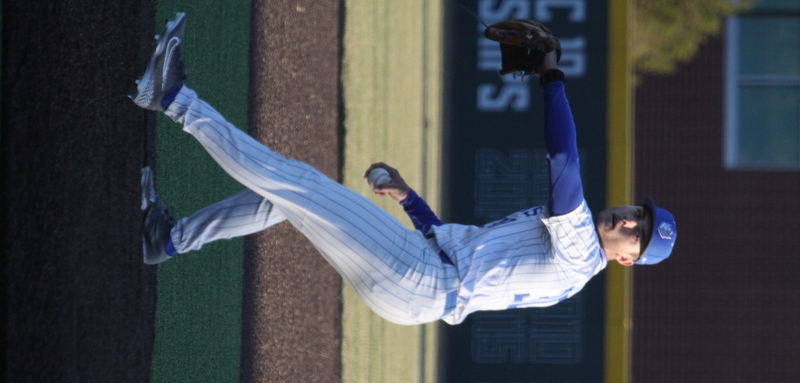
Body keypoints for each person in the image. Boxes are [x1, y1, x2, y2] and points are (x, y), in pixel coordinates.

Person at [134, 13, 677, 326]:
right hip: (421, 281)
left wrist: (552, 74)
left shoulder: (583, 251)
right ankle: (169, 239)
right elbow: (457, 246)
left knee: (295, 181)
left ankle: (174, 98)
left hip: (419, 278)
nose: (630, 221)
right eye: (639, 215)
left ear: (627, 261)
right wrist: (410, 199)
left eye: (639, 234)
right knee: (291, 201)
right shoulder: (575, 252)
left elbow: (564, 160)